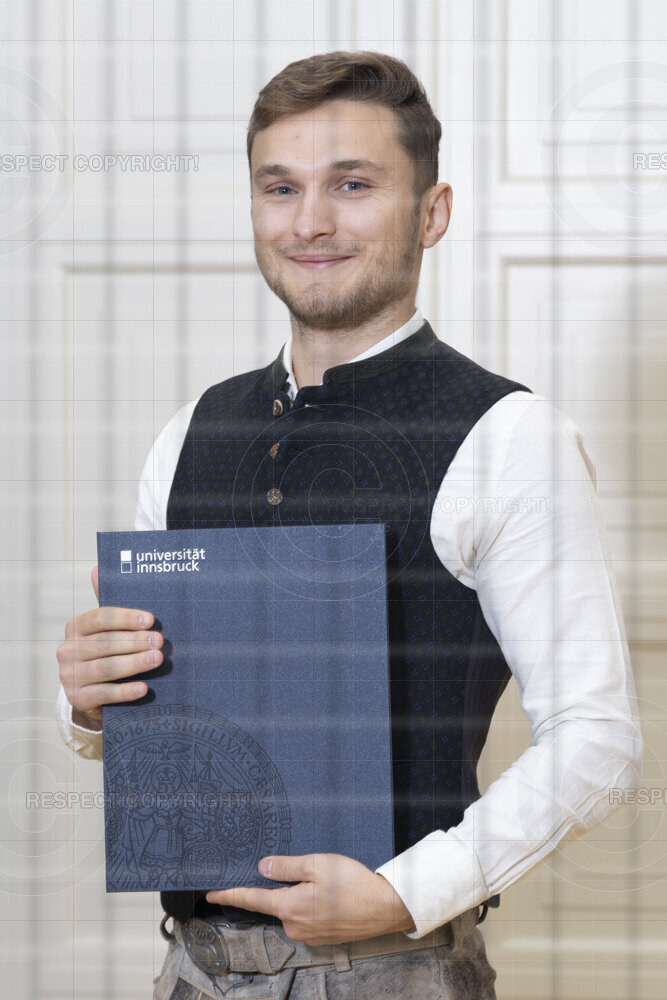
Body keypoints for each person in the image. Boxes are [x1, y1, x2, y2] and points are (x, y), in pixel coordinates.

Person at [56, 51, 643, 1000]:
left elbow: (597, 739)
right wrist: (87, 699)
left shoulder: (509, 436)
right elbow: (147, 713)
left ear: (432, 212)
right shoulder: (191, 430)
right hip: (186, 970)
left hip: (390, 973)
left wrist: (407, 893)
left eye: (353, 185)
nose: (309, 222)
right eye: (280, 187)